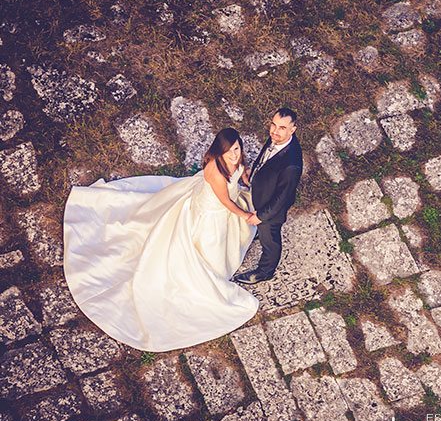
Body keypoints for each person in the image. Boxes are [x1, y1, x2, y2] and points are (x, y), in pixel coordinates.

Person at [63, 128, 259, 352]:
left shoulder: (237, 159)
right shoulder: (215, 171)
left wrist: (246, 178)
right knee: (206, 244)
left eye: (236, 149)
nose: (234, 155)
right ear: (219, 152)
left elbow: (241, 172)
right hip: (211, 213)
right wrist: (246, 216)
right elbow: (225, 202)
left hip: (223, 212)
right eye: (229, 152)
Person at [232, 107, 303, 285]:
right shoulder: (276, 139)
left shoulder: (291, 164)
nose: (275, 131)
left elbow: (283, 198)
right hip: (261, 194)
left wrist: (260, 216)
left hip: (271, 209)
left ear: (292, 130)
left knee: (270, 239)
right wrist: (253, 173)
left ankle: (265, 272)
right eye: (273, 125)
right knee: (263, 232)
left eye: (282, 128)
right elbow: (266, 159)